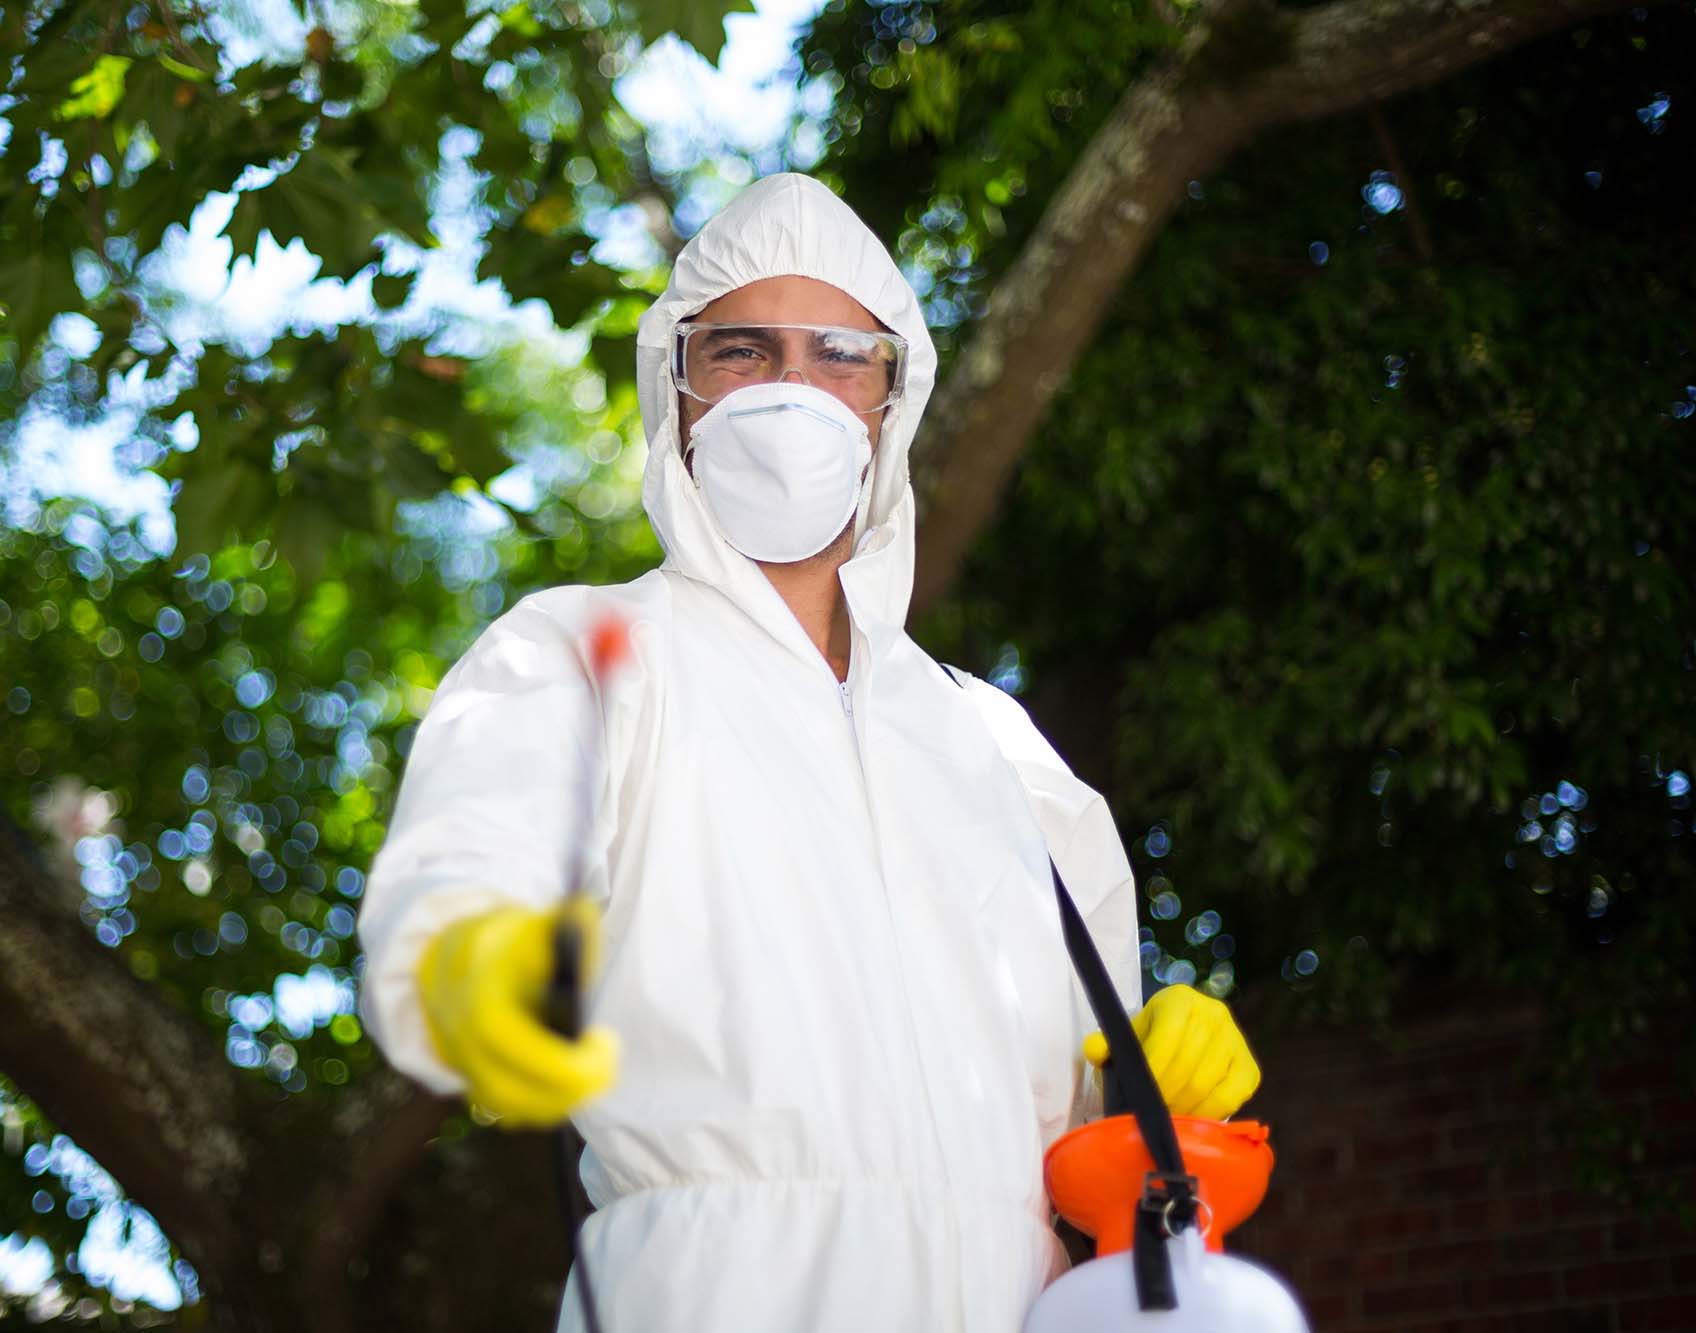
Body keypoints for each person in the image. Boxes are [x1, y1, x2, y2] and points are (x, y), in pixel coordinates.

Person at [358, 173, 1260, 1332]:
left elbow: (1094, 1142)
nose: (792, 391)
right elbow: (468, 855)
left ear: (893, 397)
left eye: (839, 355)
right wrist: (460, 953)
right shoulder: (583, 655)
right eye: (741, 352)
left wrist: (1154, 1083)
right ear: (674, 390)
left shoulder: (995, 744)